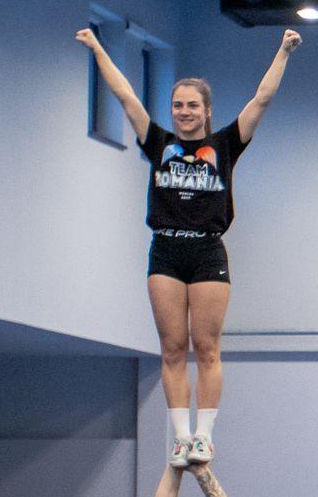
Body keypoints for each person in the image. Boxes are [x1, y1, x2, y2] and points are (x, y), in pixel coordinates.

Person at [77, 26, 301, 468]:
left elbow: (261, 100)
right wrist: (100, 48)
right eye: (178, 105)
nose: (183, 112)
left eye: (192, 105)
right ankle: (181, 437)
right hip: (165, 250)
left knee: (207, 347)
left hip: (207, 251)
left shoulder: (225, 145)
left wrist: (284, 51)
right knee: (172, 348)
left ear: (206, 110)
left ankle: (203, 436)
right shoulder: (158, 142)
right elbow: (125, 96)